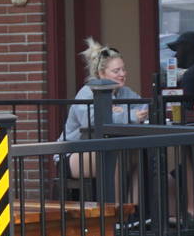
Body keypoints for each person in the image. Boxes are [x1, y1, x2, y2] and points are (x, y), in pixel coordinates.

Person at [63, 38, 147, 180]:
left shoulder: (124, 92)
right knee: (116, 156)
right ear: (101, 74)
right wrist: (130, 116)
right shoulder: (87, 92)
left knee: (139, 157)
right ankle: (115, 203)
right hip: (74, 152)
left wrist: (124, 114)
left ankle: (133, 203)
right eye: (116, 71)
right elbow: (94, 122)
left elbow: (144, 107)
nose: (123, 74)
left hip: (106, 149)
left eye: (123, 69)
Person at [164, 29, 194, 121]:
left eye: (178, 49)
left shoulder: (192, 74)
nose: (175, 55)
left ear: (187, 49)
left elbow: (186, 108)